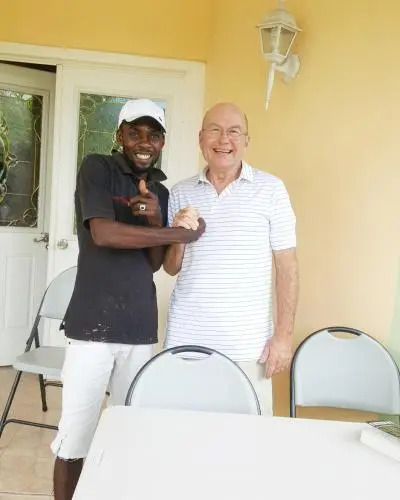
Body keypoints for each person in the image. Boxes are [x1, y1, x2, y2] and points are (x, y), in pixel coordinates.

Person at [51, 98, 205, 500]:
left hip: (138, 328)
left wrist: (155, 218)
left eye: (153, 135)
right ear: (120, 135)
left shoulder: (160, 191)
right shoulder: (97, 168)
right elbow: (103, 233)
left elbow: (154, 264)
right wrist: (178, 234)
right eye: (134, 132)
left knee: (126, 433)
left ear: (163, 142)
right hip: (92, 327)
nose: (144, 142)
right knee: (75, 439)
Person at [163, 102, 298, 415]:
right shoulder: (180, 192)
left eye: (234, 132)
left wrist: (283, 338)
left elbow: (287, 268)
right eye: (215, 130)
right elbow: (171, 268)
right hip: (186, 340)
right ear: (201, 139)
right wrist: (180, 235)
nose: (224, 140)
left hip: (247, 345)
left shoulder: (271, 189)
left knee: (247, 438)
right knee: (183, 433)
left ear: (246, 141)